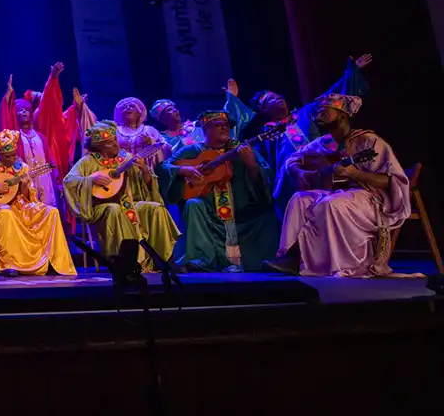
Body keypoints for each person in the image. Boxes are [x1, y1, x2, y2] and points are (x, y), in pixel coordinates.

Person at [268, 94, 417, 278]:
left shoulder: (369, 141)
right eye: (319, 110)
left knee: (330, 203)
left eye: (326, 110)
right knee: (300, 199)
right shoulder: (325, 142)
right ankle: (292, 257)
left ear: (343, 115)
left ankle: (324, 261)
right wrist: (300, 173)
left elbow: (391, 180)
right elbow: (292, 159)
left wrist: (357, 174)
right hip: (341, 193)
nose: (319, 113)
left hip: (372, 198)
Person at [238, 54, 373, 210]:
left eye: (277, 96)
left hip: (322, 170)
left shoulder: (306, 113)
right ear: (265, 111)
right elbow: (266, 167)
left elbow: (329, 97)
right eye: (270, 100)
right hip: (291, 183)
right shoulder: (267, 134)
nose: (277, 98)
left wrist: (350, 75)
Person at [158, 111, 279, 272]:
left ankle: (242, 261)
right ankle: (198, 260)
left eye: (226, 125)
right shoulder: (193, 151)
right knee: (193, 204)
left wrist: (252, 166)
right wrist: (184, 170)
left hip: (241, 213)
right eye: (218, 125)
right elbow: (164, 167)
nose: (224, 127)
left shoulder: (241, 149)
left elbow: (267, 178)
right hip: (207, 214)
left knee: (269, 212)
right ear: (205, 130)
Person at [63, 121, 179, 269]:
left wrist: (144, 170)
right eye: (110, 143)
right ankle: (125, 263)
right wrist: (90, 180)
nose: (115, 145)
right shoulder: (88, 162)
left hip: (130, 203)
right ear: (99, 146)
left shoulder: (127, 158)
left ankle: (164, 259)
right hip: (101, 208)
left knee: (155, 208)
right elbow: (69, 181)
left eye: (115, 141)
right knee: (114, 209)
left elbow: (146, 185)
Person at [0, 130, 76, 277]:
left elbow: (29, 195)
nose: (11, 159)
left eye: (13, 155)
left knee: (51, 212)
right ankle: (9, 264)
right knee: (6, 213)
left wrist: (23, 185)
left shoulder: (22, 167)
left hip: (21, 206)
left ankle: (51, 261)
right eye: (7, 156)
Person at [0, 64, 71, 208]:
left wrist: (57, 180)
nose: (23, 113)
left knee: (49, 210)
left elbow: (51, 160)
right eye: (20, 110)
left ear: (31, 113)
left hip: (46, 180)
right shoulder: (14, 136)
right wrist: (9, 97)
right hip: (26, 180)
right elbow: (4, 120)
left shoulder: (40, 136)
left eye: (26, 110)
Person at [113, 97, 165, 170]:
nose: (127, 107)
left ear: (138, 113)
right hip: (122, 171)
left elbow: (165, 148)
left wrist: (152, 142)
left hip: (145, 171)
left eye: (131, 106)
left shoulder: (149, 130)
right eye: (124, 107)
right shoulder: (115, 131)